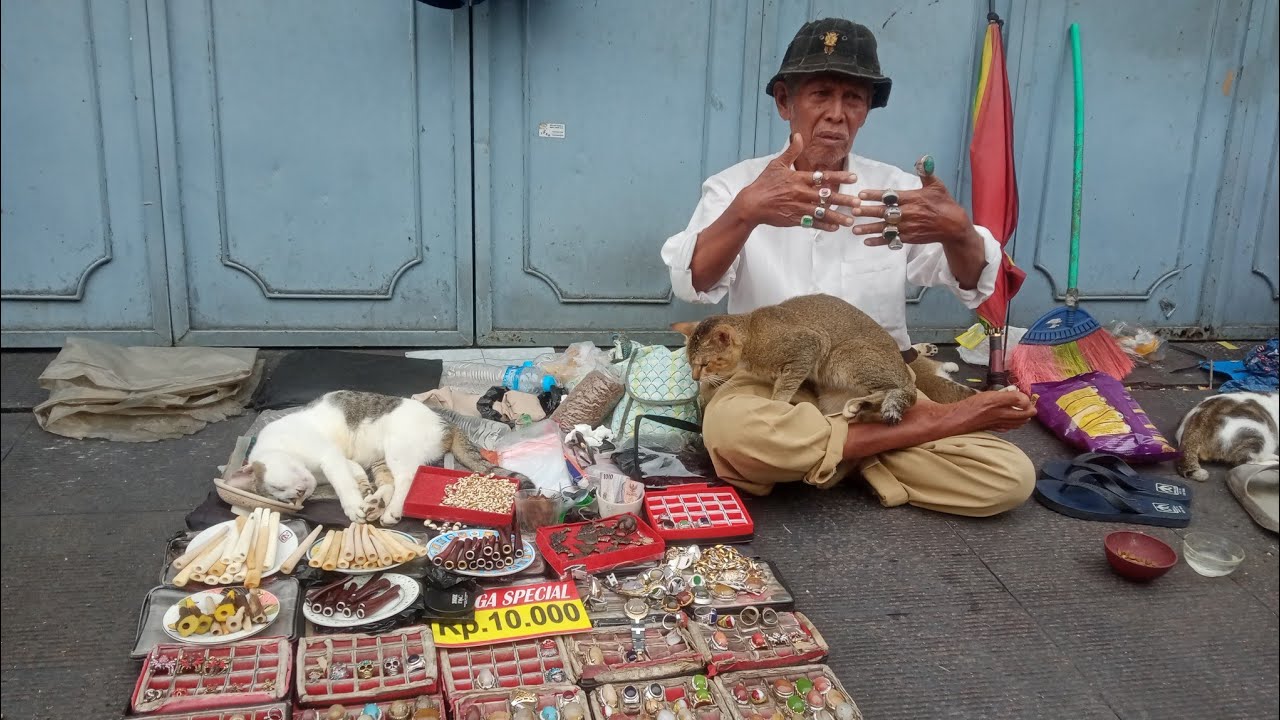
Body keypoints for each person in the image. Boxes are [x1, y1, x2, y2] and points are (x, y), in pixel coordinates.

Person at [660, 18, 1036, 517]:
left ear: (866, 112)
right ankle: (887, 444)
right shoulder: (736, 188)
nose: (836, 115)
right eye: (820, 94)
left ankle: (826, 454)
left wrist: (958, 232)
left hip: (872, 377)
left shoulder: (898, 192)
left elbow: (970, 280)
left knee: (1009, 479)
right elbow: (694, 283)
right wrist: (747, 213)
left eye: (853, 99)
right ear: (783, 101)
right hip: (768, 378)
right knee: (733, 432)